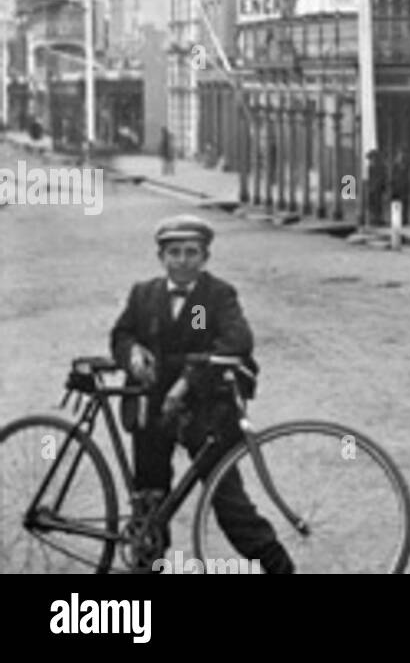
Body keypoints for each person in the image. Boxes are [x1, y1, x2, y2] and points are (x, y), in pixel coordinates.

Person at [109, 215, 294, 574]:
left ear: (205, 257)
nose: (182, 261)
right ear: (161, 257)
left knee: (230, 502)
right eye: (174, 252)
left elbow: (237, 342)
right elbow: (121, 334)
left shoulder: (217, 295)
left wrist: (188, 381)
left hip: (206, 411)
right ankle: (146, 569)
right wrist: (131, 352)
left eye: (191, 252)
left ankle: (280, 569)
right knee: (150, 502)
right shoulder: (143, 294)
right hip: (153, 408)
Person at [365, 148, 388, 229]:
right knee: (372, 204)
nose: (371, 160)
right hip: (372, 189)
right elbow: (369, 178)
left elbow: (383, 178)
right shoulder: (370, 167)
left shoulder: (380, 167)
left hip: (377, 189)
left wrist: (382, 187)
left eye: (372, 158)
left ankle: (378, 219)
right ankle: (373, 219)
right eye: (370, 159)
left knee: (378, 205)